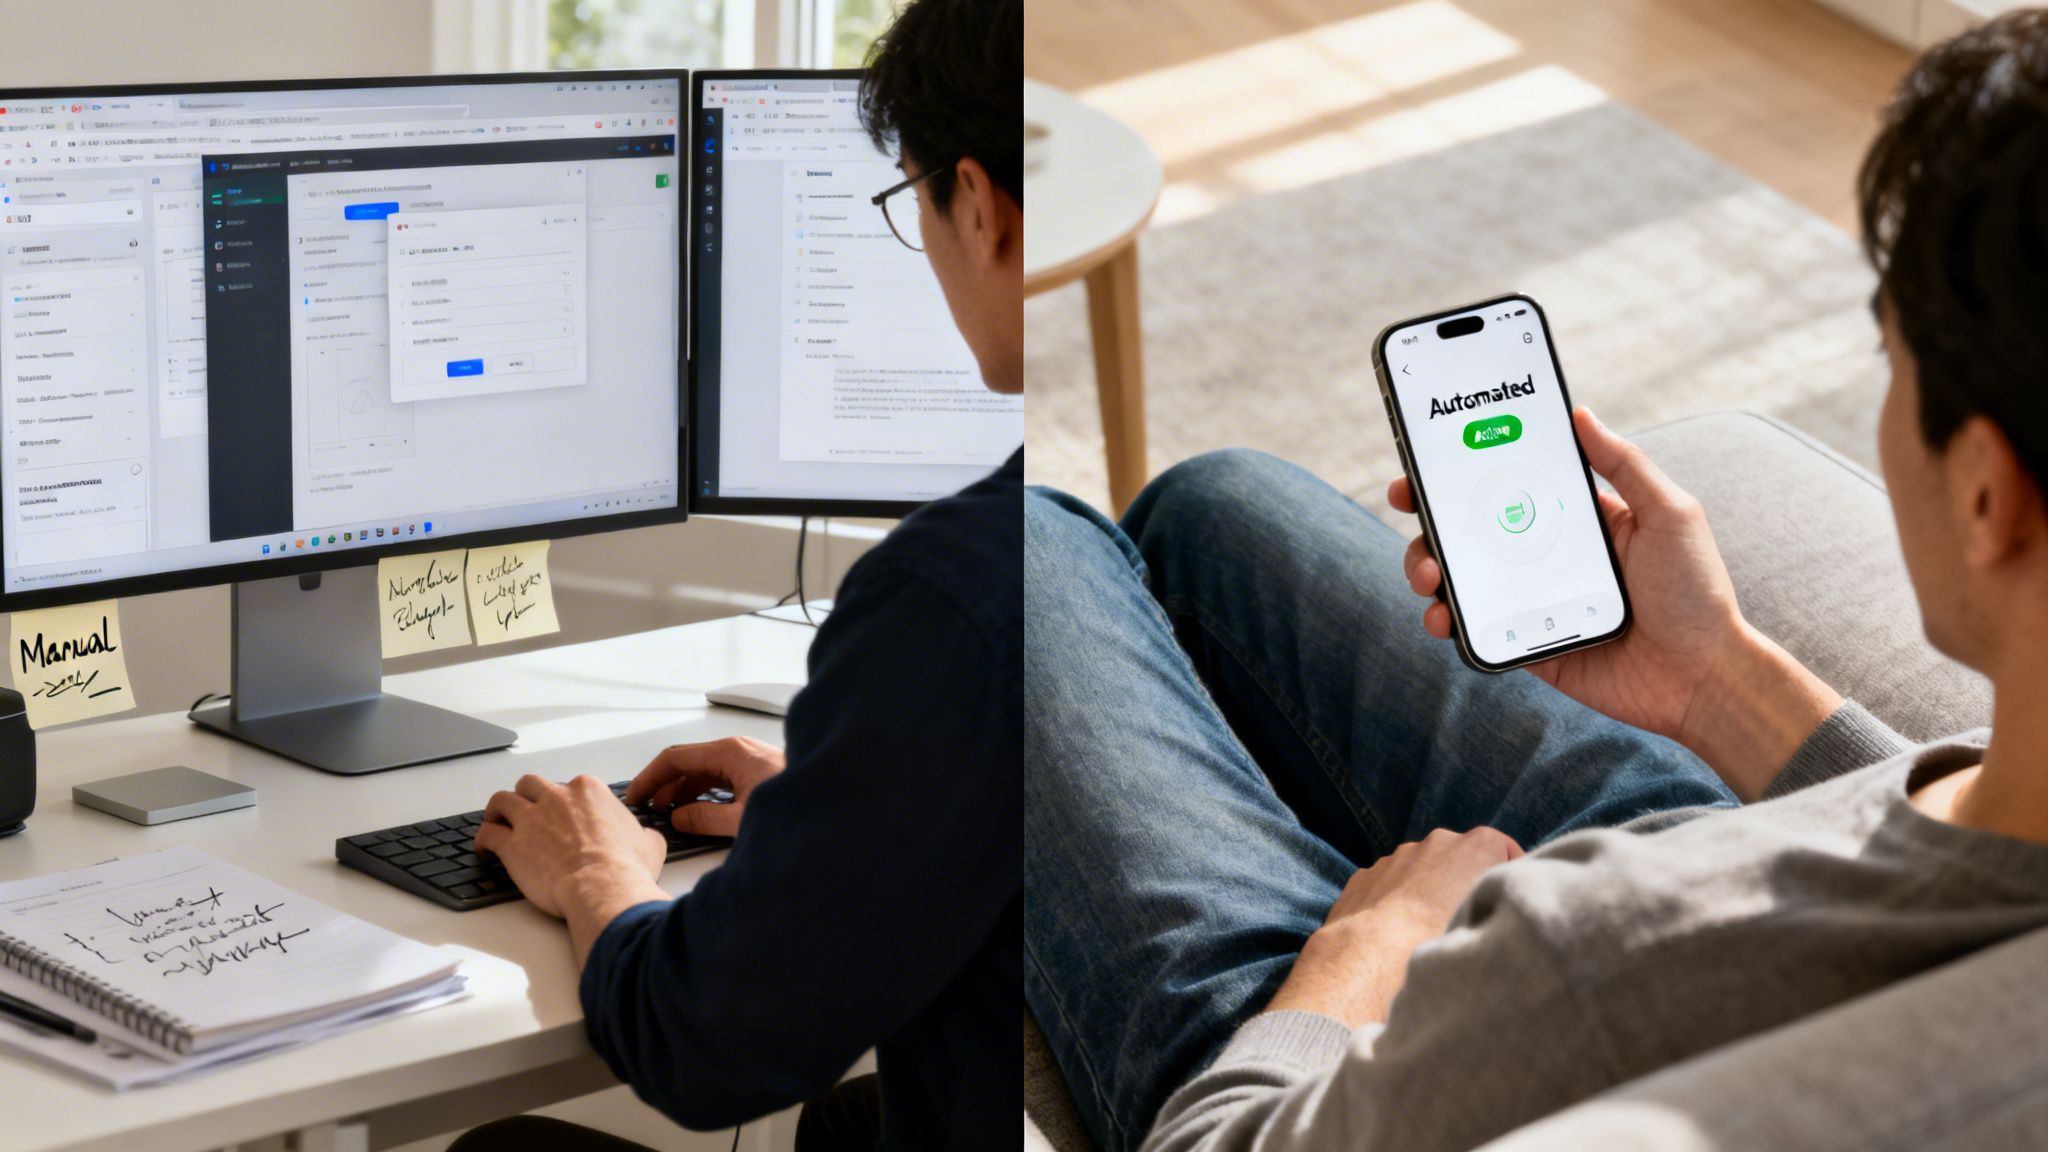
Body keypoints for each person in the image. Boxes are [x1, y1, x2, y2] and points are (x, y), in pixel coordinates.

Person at [1025, 11, 2048, 1152]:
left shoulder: (1581, 965)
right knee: (1214, 503)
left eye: (1890, 361)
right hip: (1770, 857)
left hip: (1562, 982)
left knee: (1021, 545)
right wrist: (1715, 679)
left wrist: (1365, 953)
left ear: (1983, 495)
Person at [453, 1, 1022, 1149]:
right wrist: (857, 803)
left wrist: (596, 877)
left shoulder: (953, 590)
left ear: (979, 205)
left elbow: (704, 1043)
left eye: (908, 196)